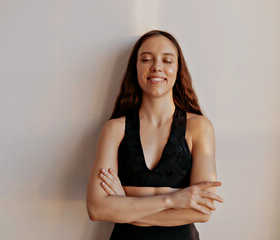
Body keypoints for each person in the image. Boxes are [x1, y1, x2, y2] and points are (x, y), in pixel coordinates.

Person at [86, 30, 224, 240]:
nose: (157, 66)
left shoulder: (199, 127)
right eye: (146, 59)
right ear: (136, 68)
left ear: (178, 70)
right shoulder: (114, 130)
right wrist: (173, 200)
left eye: (167, 60)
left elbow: (201, 212)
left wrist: (125, 207)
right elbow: (97, 209)